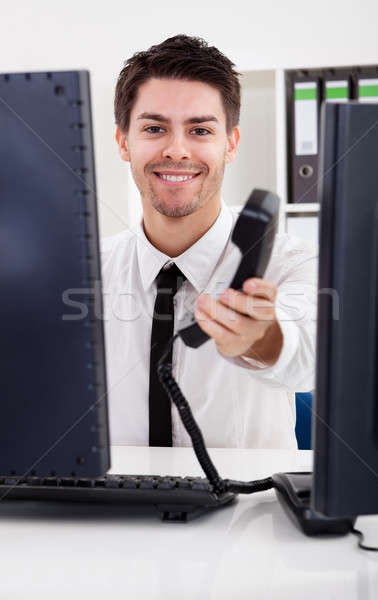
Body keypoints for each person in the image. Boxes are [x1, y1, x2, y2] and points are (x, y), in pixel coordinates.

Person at [101, 34, 317, 449]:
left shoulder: (294, 260)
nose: (177, 150)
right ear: (123, 142)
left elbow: (310, 352)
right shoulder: (83, 268)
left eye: (199, 129)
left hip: (251, 513)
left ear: (230, 144)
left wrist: (263, 336)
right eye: (154, 128)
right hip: (112, 513)